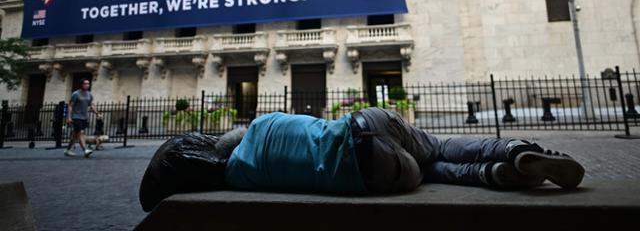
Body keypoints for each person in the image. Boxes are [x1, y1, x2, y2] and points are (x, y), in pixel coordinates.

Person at [139, 107, 585, 211]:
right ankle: (515, 153)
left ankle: (498, 174)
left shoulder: (238, 181)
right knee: (439, 146)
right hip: (366, 128)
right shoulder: (259, 126)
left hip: (378, 176)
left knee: (427, 169)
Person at [64, 79, 101, 158]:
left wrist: (97, 113)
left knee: (75, 135)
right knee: (81, 132)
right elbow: (70, 106)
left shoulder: (89, 95)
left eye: (88, 84)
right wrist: (68, 117)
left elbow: (91, 105)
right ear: (81, 85)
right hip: (76, 117)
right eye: (85, 84)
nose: (87, 85)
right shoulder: (76, 94)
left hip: (84, 117)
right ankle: (85, 150)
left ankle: (67, 150)